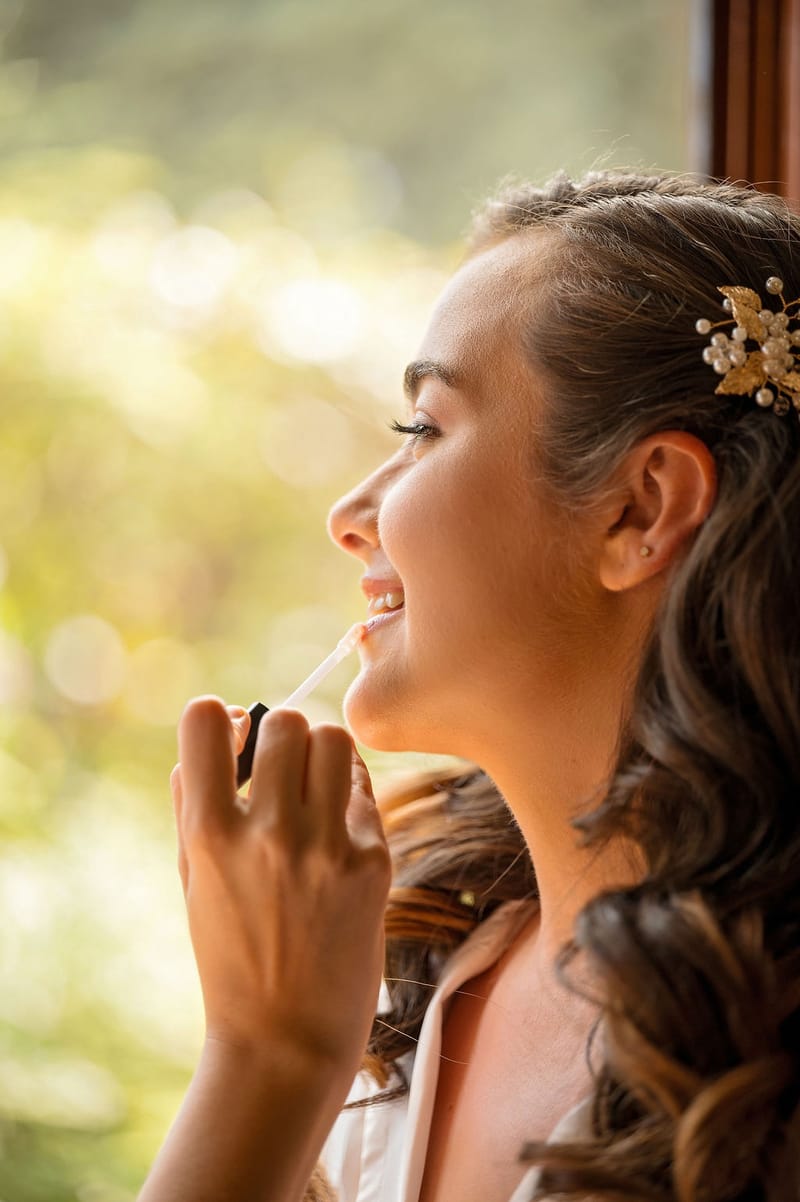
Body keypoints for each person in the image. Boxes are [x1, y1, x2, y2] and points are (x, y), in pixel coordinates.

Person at [139, 171, 800, 1202]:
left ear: (640, 507)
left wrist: (268, 1057)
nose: (348, 514)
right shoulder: (412, 956)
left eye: (423, 431)